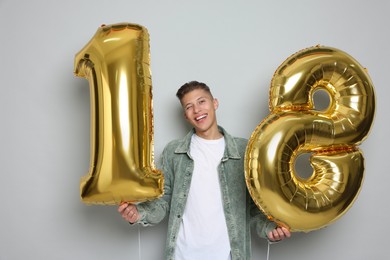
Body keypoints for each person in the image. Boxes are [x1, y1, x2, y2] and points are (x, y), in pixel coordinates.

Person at [118, 81, 290, 259]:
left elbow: (254, 207)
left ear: (215, 103)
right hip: (182, 255)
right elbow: (164, 201)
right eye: (189, 106)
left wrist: (270, 229)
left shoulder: (243, 150)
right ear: (186, 115)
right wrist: (139, 213)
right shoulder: (174, 152)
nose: (197, 110)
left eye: (202, 102)